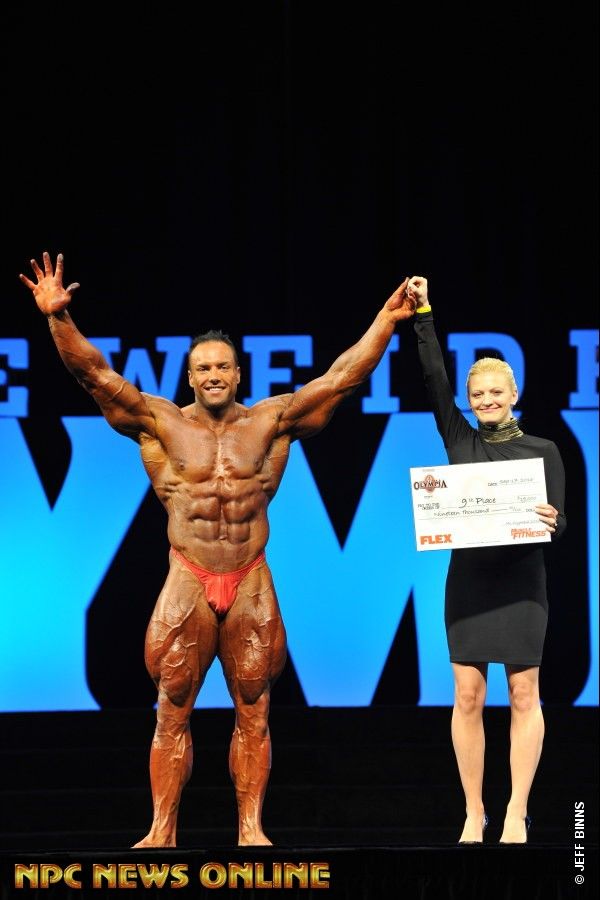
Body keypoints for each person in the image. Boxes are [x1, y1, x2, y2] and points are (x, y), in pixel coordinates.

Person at [20, 251, 415, 848]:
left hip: (251, 576)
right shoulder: (159, 422)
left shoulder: (271, 422)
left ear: (238, 374)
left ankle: (251, 830)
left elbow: (341, 379)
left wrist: (386, 320)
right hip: (189, 575)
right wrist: (58, 318)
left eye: (222, 367)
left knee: (254, 707)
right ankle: (161, 831)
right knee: (172, 706)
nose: (213, 375)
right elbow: (95, 376)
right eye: (203, 367)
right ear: (189, 376)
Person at [405, 276, 566, 845]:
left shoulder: (543, 451)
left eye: (496, 392)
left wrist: (552, 519)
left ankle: (517, 811)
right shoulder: (460, 441)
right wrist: (424, 313)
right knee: (468, 696)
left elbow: (562, 522)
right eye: (478, 394)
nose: (487, 401)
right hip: (470, 586)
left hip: (522, 588)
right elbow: (434, 377)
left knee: (524, 695)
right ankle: (475, 812)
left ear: (514, 393)